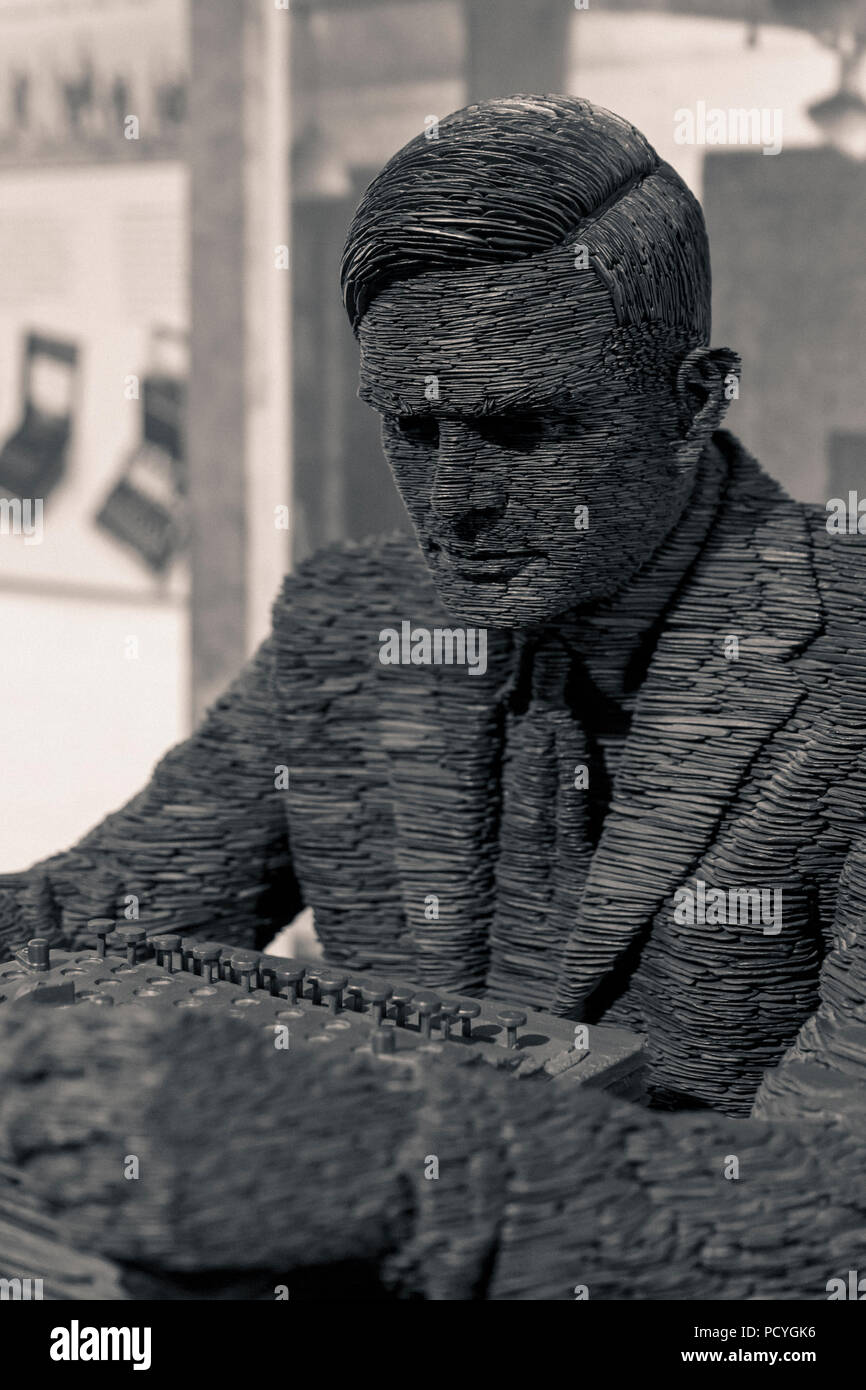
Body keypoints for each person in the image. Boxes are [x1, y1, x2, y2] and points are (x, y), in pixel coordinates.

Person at [1, 96, 864, 1297]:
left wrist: (408, 1167)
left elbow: (837, 1208)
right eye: (411, 427)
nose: (450, 503)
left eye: (518, 428)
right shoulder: (348, 629)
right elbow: (93, 914)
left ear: (692, 397)